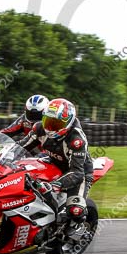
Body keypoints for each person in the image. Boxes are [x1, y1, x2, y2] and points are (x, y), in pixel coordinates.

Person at [19, 98, 94, 234]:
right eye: (49, 121)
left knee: (74, 210)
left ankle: (79, 228)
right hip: (53, 162)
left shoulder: (76, 140)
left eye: (56, 123)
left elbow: (77, 173)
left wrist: (55, 185)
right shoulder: (39, 128)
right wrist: (2, 154)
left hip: (78, 172)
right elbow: (20, 147)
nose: (51, 127)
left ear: (69, 121)